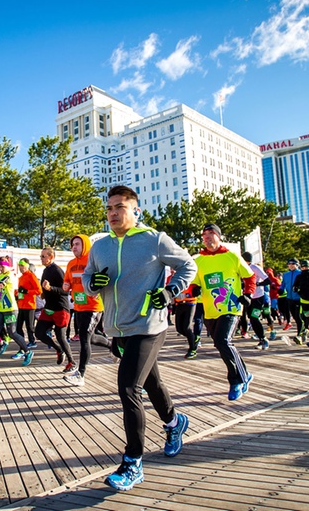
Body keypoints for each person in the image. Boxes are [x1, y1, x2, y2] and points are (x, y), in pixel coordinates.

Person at [82, 186, 195, 491]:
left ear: (136, 210)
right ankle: (174, 422)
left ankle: (133, 463)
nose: (113, 213)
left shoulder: (153, 240)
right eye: (108, 208)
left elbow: (188, 265)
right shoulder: (100, 246)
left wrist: (170, 291)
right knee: (150, 381)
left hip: (149, 325)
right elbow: (86, 280)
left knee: (129, 386)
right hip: (118, 329)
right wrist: (93, 283)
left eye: (119, 207)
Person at [192, 223, 255, 398]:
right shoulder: (198, 260)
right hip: (210, 310)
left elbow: (250, 277)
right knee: (222, 344)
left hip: (231, 307)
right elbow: (193, 281)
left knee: (223, 341)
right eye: (204, 235)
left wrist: (248, 294)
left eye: (210, 233)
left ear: (219, 236)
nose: (207, 237)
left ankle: (237, 381)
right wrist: (194, 289)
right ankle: (245, 374)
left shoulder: (232, 256)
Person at [63, 234, 112, 386]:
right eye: (72, 245)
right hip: (78, 306)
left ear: (85, 245)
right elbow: (67, 281)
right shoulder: (71, 263)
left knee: (84, 337)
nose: (74, 247)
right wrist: (66, 286)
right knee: (89, 338)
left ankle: (81, 374)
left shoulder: (93, 261)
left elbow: (104, 278)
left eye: (77, 244)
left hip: (94, 306)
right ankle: (113, 346)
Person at [0, 257, 34, 366]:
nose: (1, 268)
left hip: (10, 309)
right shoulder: (1, 275)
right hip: (0, 309)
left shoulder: (9, 275)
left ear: (7, 265)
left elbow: (1, 285)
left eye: (2, 266)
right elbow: (0, 293)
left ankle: (27, 351)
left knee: (12, 333)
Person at [35, 247, 76, 372]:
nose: (41, 258)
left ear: (51, 257)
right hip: (49, 308)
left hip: (60, 309)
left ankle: (72, 362)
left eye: (43, 256)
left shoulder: (57, 270)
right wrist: (44, 293)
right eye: (40, 256)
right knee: (39, 333)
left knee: (61, 336)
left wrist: (50, 289)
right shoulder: (46, 270)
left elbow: (65, 291)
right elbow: (46, 288)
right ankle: (58, 349)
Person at [241, 252, 271, 350]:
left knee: (254, 318)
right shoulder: (241, 268)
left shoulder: (255, 268)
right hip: (248, 298)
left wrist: (257, 284)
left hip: (258, 297)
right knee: (251, 318)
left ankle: (263, 339)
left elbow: (268, 281)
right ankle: (260, 338)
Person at [174, 282, 204, 359]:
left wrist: (197, 290)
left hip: (190, 303)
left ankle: (192, 349)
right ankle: (194, 338)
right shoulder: (172, 277)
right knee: (179, 329)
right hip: (179, 303)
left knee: (187, 327)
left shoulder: (190, 275)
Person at [16, 258, 41, 348]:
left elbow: (39, 290)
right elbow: (21, 291)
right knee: (18, 326)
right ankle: (22, 343)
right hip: (21, 305)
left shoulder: (31, 276)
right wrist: (17, 294)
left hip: (30, 305)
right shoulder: (21, 278)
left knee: (29, 326)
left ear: (27, 266)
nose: (20, 268)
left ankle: (32, 341)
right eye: (19, 266)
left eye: (22, 266)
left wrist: (27, 291)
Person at [280, 259, 304, 338]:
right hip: (289, 298)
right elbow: (283, 284)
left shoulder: (300, 273)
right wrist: (281, 289)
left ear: (297, 265)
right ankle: (303, 329)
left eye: (293, 263)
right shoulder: (286, 274)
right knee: (294, 316)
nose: (291, 265)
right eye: (289, 264)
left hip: (298, 298)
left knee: (298, 316)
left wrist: (300, 290)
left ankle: (300, 333)